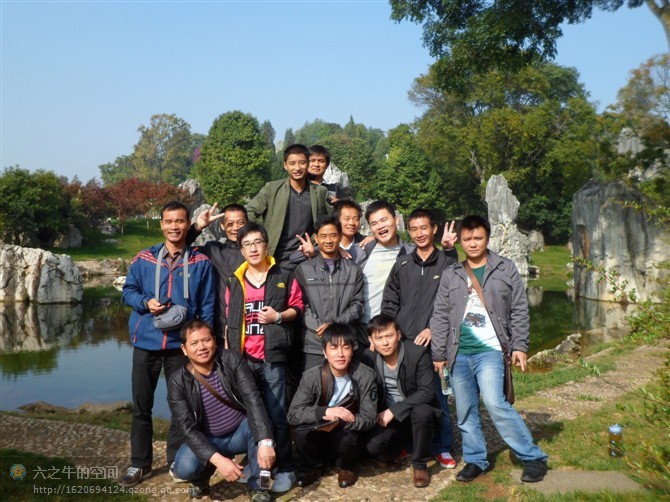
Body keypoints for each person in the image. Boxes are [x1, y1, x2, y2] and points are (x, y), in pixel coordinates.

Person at [430, 215, 549, 483]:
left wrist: (519, 345)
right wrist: (438, 353)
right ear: (460, 241)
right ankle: (475, 460)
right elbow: (440, 315)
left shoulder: (505, 268)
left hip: (491, 351)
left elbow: (519, 309)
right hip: (458, 353)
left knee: (496, 403)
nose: (473, 243)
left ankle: (532, 457)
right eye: (467, 239)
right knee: (465, 410)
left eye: (478, 238)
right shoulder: (451, 273)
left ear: (487, 238)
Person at [120, 200, 216, 487]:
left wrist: (203, 343)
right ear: (161, 224)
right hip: (146, 342)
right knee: (141, 406)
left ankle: (176, 460)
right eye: (169, 221)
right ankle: (140, 464)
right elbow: (127, 291)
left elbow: (207, 305)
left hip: (180, 346)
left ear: (188, 224)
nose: (174, 226)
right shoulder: (144, 258)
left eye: (180, 221)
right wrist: (145, 302)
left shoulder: (200, 262)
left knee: (180, 407)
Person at [224, 222, 303, 493]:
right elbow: (229, 320)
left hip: (272, 357)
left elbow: (297, 307)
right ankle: (258, 467)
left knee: (277, 414)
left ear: (266, 245)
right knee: (251, 415)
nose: (253, 248)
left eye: (257, 242)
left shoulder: (283, 274)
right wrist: (230, 356)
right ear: (241, 250)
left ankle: (286, 467)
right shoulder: (235, 280)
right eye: (247, 244)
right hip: (244, 359)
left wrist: (277, 316)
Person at [381, 209, 458, 469]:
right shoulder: (403, 264)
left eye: (424, 228)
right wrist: (391, 333)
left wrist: (434, 328)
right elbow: (390, 301)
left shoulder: (447, 263)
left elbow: (455, 304)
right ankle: (412, 444)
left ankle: (442, 446)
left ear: (434, 229)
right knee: (407, 397)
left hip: (434, 344)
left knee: (438, 397)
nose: (419, 234)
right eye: (414, 229)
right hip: (405, 343)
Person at [167, 320, 275, 501]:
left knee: (262, 431)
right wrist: (218, 460)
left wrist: (266, 442)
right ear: (184, 349)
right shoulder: (177, 381)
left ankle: (259, 487)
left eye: (206, 340)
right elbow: (187, 428)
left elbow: (252, 398)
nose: (202, 347)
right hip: (208, 438)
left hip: (240, 432)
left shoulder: (231, 359)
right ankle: (201, 479)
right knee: (184, 468)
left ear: (215, 341)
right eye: (194, 343)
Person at [287, 324, 377, 489]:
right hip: (321, 429)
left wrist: (339, 421)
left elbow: (369, 417)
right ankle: (316, 465)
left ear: (352, 350)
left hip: (346, 429)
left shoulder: (365, 375)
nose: (340, 354)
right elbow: (293, 414)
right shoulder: (311, 377)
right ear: (324, 352)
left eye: (345, 347)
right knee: (300, 433)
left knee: (350, 439)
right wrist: (324, 412)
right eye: (334, 348)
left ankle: (347, 467)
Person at [365, 314, 441, 488]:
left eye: (389, 336)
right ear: (371, 341)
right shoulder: (368, 357)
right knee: (373, 447)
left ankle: (420, 465)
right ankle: (398, 450)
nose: (385, 343)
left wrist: (394, 410)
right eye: (379, 338)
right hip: (389, 416)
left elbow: (427, 391)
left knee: (422, 412)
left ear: (398, 335)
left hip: (416, 411)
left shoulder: (417, 353)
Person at [295, 215, 364, 370]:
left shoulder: (353, 270)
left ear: (340, 236)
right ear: (316, 238)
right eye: (323, 236)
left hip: (344, 342)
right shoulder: (304, 269)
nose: (328, 240)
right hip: (314, 343)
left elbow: (358, 305)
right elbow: (301, 305)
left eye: (333, 235)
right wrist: (319, 327)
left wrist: (335, 324)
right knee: (314, 383)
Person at [245, 144, 330, 269]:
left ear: (308, 164)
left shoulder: (320, 192)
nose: (297, 168)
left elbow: (329, 223)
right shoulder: (272, 189)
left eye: (302, 163)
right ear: (285, 165)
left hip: (303, 258)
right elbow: (249, 211)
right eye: (292, 163)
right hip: (274, 257)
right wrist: (257, 237)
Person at [186, 203, 248, 346]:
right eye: (230, 224)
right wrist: (197, 227)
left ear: (247, 224)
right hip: (221, 329)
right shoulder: (213, 250)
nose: (235, 228)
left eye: (240, 223)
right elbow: (180, 247)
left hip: (252, 329)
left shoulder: (257, 251)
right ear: (222, 226)